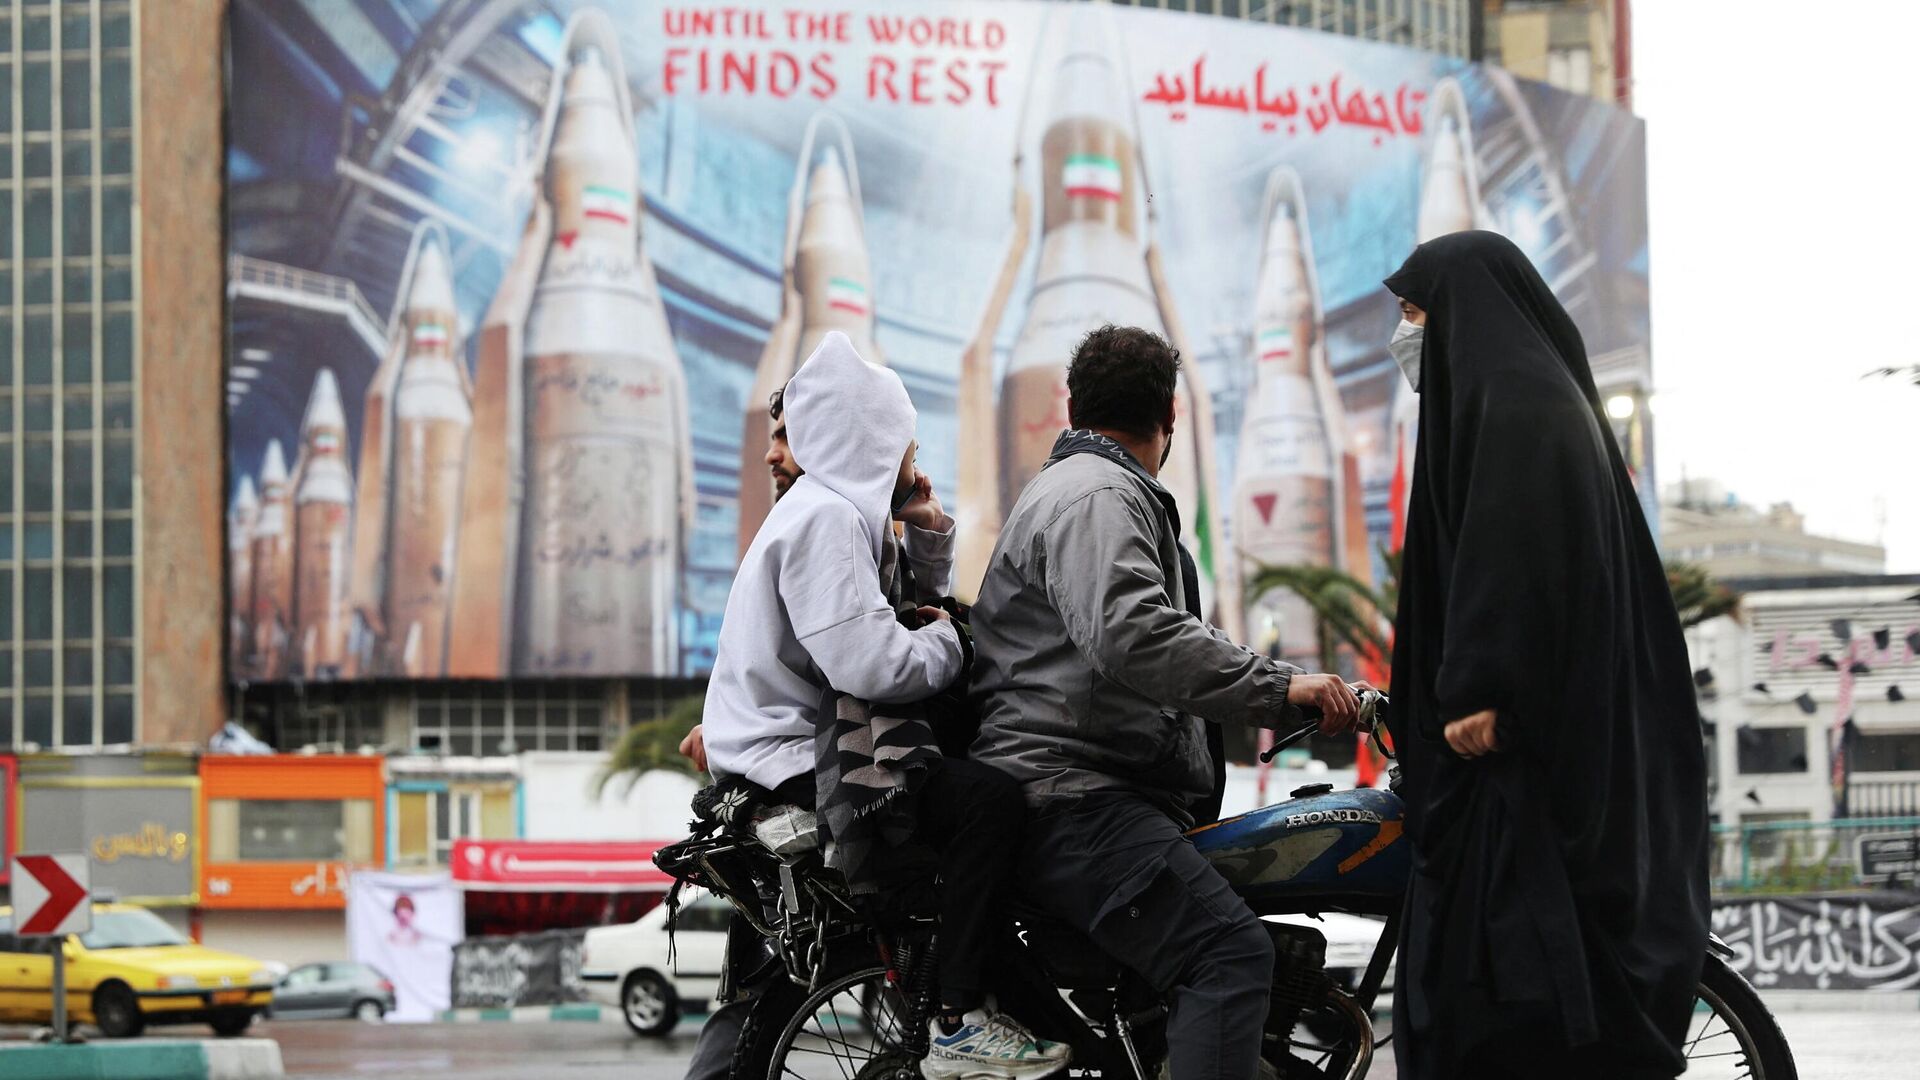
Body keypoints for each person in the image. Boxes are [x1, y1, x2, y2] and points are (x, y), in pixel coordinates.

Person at [969, 324, 1367, 1080]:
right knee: (1227, 954)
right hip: (1078, 801)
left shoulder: (1086, 489)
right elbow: (1135, 635)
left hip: (1084, 796)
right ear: (1171, 415)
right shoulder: (1097, 495)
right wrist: (1282, 688)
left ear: (1074, 408)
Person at [1381, 231, 1709, 1080]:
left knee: (1493, 1004)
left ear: (1463, 311)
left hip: (1506, 758)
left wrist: (1478, 688)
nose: (1405, 333)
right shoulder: (1518, 396)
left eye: (1415, 311)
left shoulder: (1517, 404)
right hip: (1525, 755)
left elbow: (1511, 557)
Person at [700, 331, 1069, 1079]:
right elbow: (875, 662)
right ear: (869, 439)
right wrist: (954, 644)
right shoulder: (826, 518)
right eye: (906, 444)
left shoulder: (837, 513)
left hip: (804, 746)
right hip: (795, 759)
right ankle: (958, 1021)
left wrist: (926, 534)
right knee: (990, 804)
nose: (913, 459)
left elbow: (897, 614)